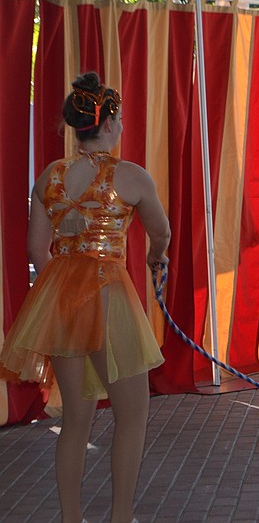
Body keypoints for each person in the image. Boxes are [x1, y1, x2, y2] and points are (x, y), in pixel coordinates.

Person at [0, 72, 171, 523]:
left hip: (59, 298)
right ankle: (120, 517)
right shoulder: (129, 176)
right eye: (120, 118)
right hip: (108, 295)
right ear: (109, 121)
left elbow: (37, 250)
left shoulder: (50, 177)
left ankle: (71, 518)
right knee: (132, 416)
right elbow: (162, 231)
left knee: (75, 419)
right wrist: (158, 258)